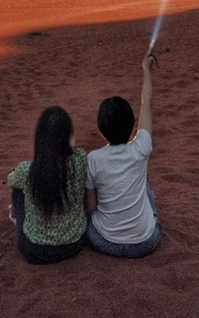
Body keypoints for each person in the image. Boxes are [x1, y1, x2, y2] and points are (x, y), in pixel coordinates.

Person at [85, 53, 161, 257]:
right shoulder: (141, 147)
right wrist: (146, 70)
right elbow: (147, 104)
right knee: (143, 178)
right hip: (146, 242)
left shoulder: (93, 159)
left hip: (105, 241)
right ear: (132, 126)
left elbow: (91, 209)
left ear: (100, 130)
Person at [6, 105, 88, 264]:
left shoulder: (27, 170)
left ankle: (16, 218)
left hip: (35, 250)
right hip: (74, 244)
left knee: (18, 189)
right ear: (69, 135)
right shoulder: (80, 160)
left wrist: (16, 171)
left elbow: (10, 180)